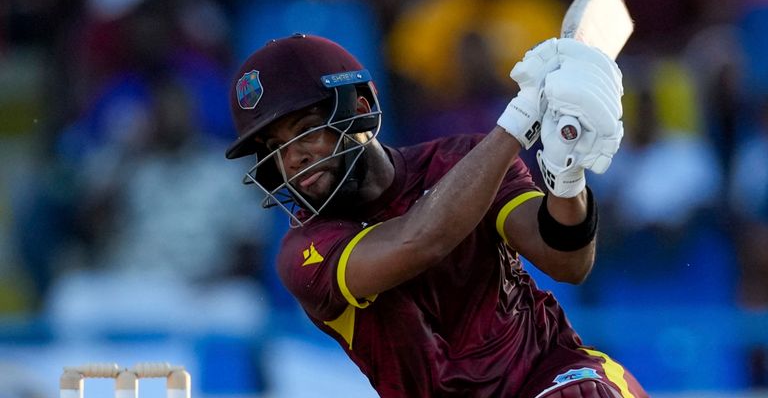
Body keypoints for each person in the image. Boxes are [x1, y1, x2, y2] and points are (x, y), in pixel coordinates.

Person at [224, 33, 648, 397]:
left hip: (550, 376)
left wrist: (565, 175)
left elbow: (568, 260)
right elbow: (420, 240)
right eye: (274, 146)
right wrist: (520, 120)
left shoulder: (462, 159)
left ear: (356, 107)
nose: (293, 157)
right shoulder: (302, 252)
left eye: (305, 130)